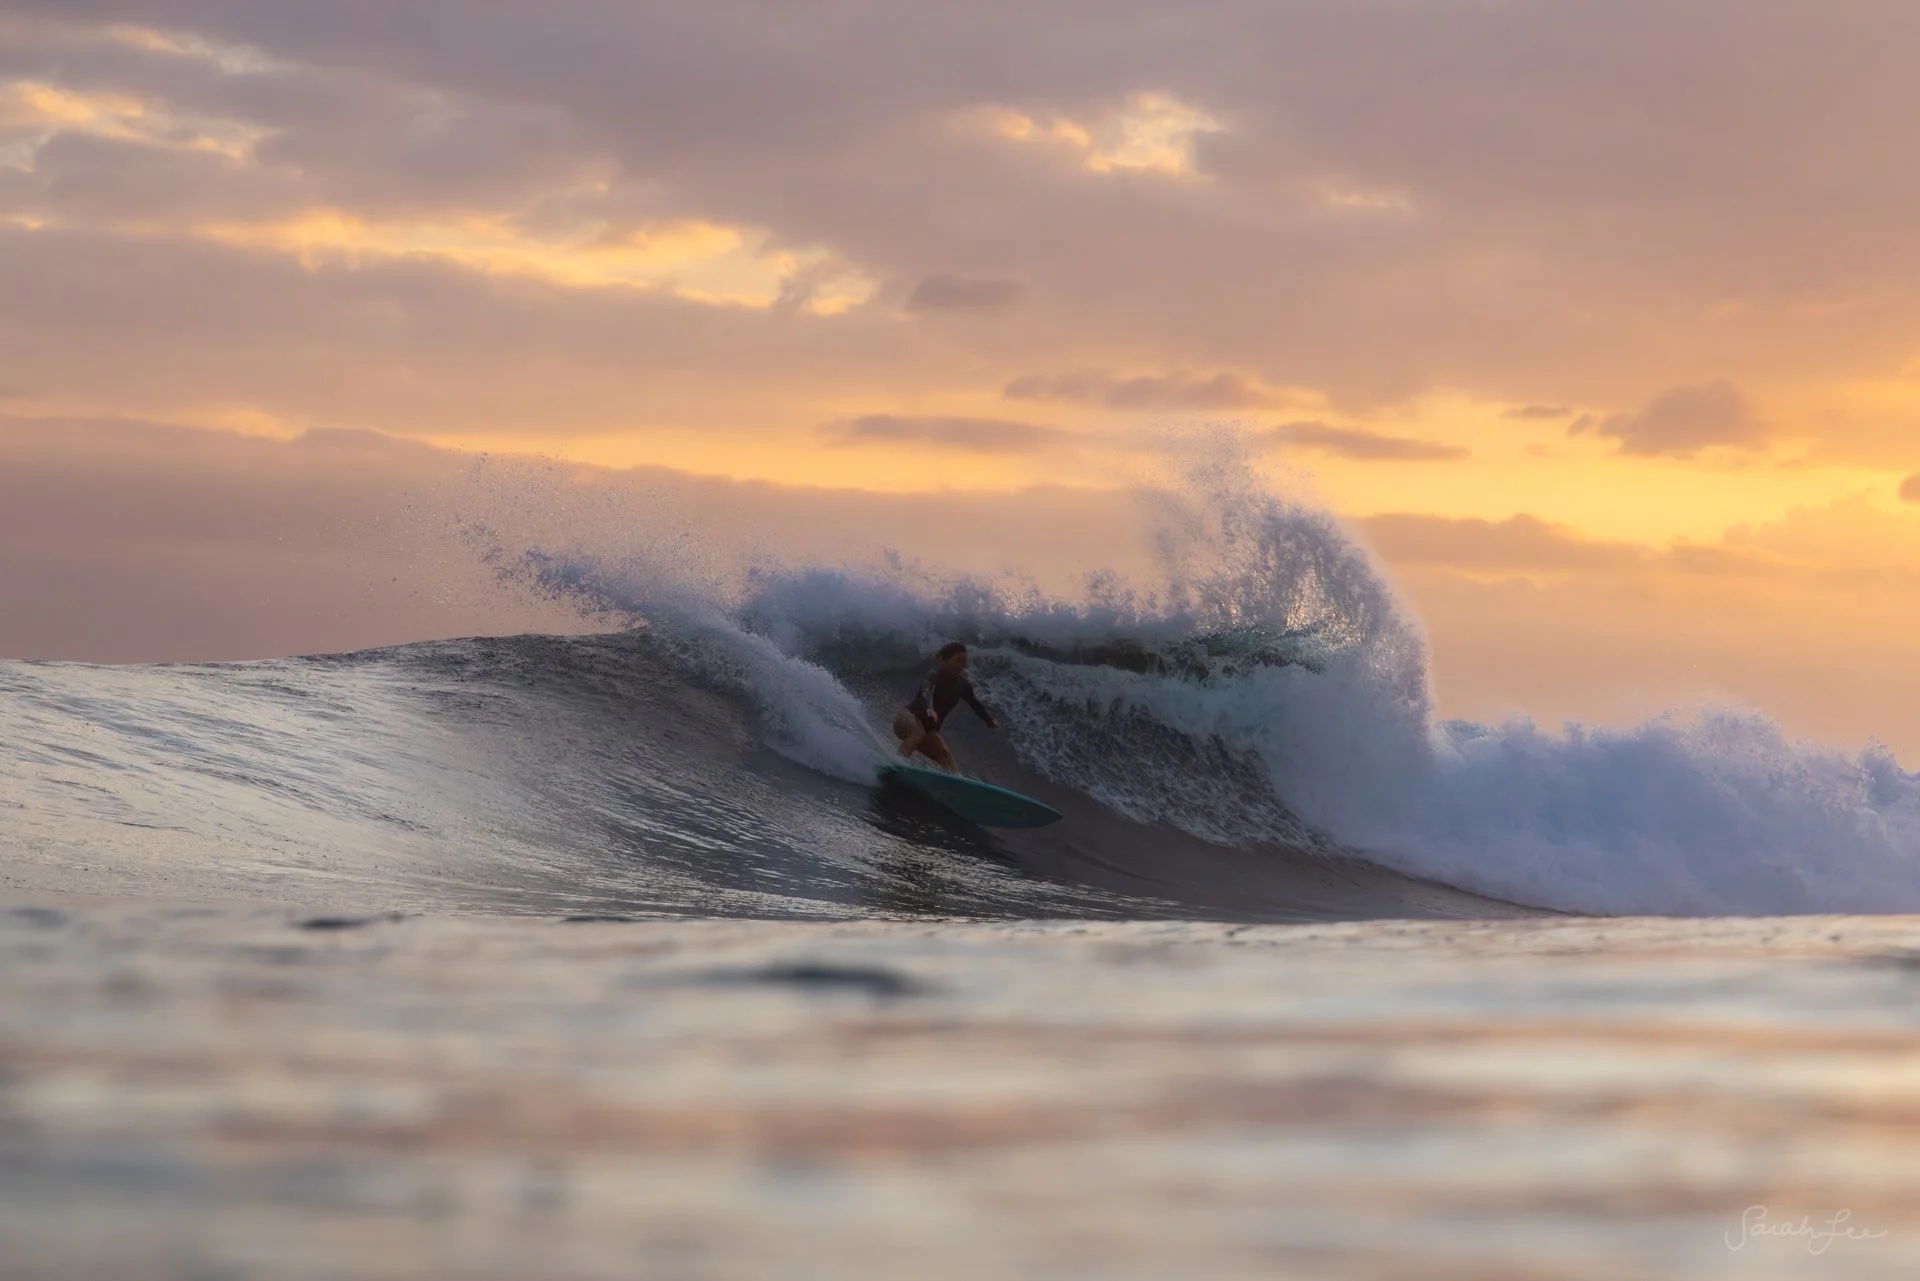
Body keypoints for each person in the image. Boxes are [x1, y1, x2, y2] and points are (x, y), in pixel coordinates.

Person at [892, 642, 998, 772]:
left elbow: (974, 703)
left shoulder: (963, 685)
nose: (960, 665)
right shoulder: (933, 676)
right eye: (957, 660)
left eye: (963, 661)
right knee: (918, 734)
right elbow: (927, 691)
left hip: (928, 730)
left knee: (945, 755)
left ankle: (956, 783)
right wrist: (929, 707)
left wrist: (989, 720)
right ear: (946, 659)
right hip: (908, 718)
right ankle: (897, 765)